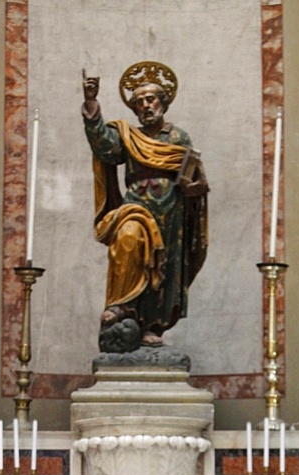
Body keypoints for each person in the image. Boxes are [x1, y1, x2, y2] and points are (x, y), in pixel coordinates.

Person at [81, 61, 208, 351]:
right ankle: (121, 307)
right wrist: (92, 107)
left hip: (171, 211)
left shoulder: (178, 137)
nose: (145, 106)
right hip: (135, 206)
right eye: (139, 102)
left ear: (163, 102)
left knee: (163, 268)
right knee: (126, 240)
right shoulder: (129, 136)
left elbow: (197, 178)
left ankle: (152, 324)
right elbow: (104, 146)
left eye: (150, 99)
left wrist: (195, 189)